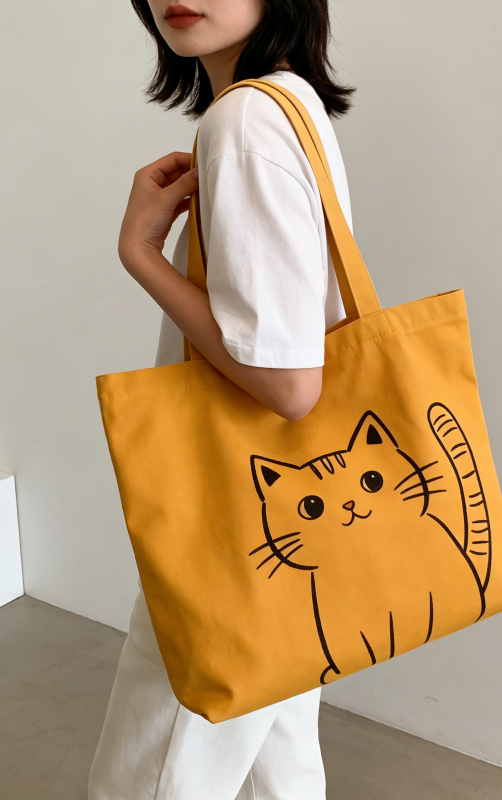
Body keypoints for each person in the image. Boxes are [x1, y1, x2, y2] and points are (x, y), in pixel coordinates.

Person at [88, 1, 357, 797]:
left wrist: (142, 253)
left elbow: (288, 383)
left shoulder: (243, 121)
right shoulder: (291, 101)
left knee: (155, 768)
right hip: (295, 513)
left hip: (236, 516)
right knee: (281, 761)